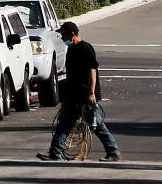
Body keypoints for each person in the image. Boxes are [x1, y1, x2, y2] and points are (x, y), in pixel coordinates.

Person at [36, 21, 121, 162]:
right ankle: (55, 153)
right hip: (73, 96)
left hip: (85, 96)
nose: (62, 38)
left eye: (63, 34)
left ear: (72, 34)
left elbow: (92, 71)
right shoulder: (71, 50)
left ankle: (113, 152)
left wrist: (91, 93)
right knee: (64, 124)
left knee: (97, 125)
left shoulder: (85, 48)